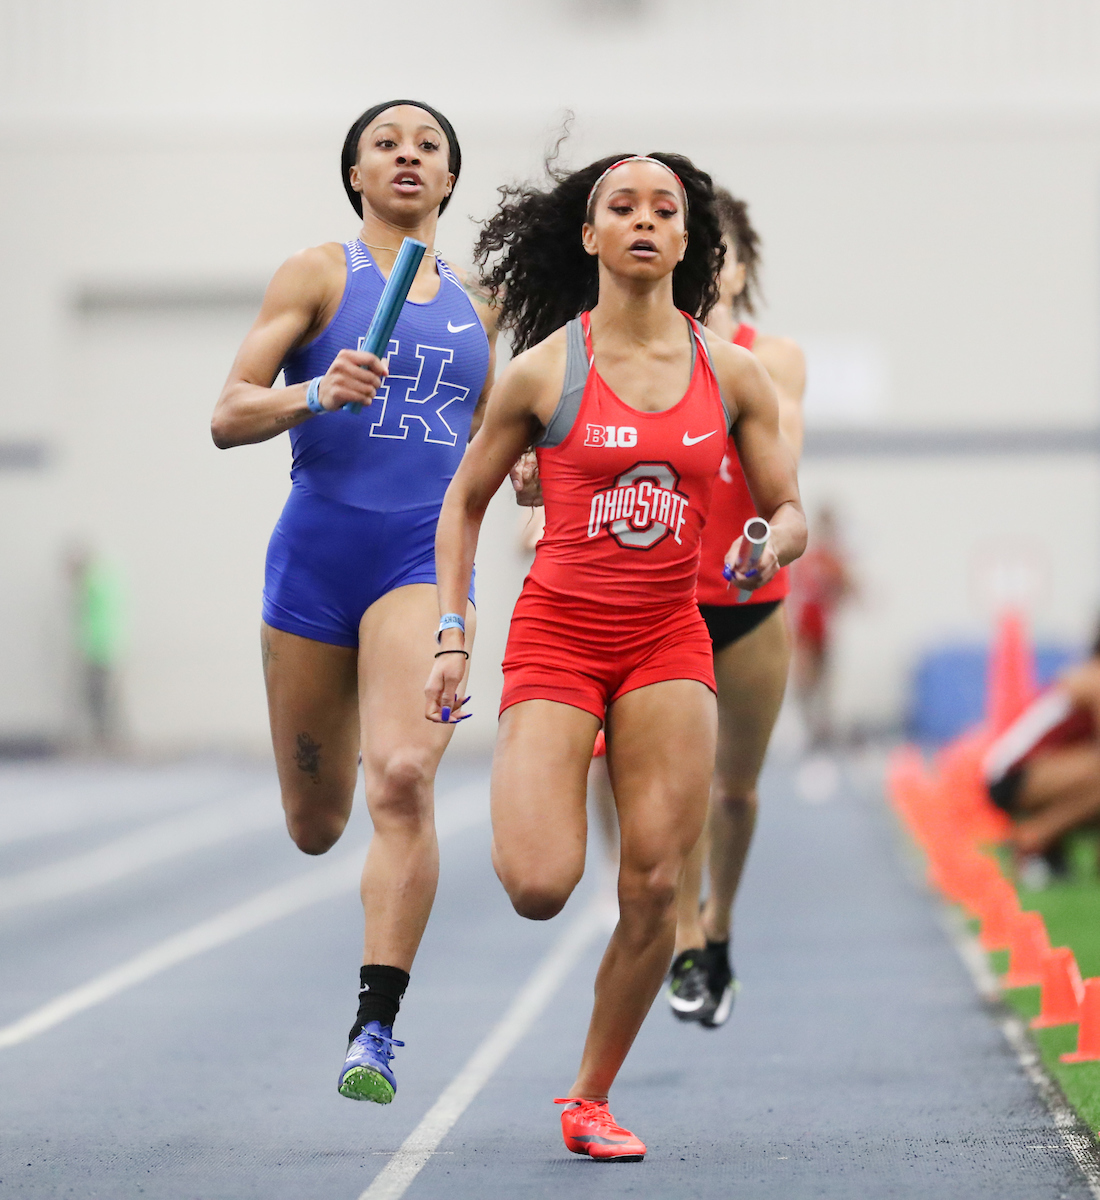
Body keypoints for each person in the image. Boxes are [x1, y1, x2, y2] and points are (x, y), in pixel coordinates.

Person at [425, 153, 805, 1160]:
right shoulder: (545, 369)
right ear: (589, 236)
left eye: (663, 209)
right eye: (621, 207)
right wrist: (453, 635)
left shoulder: (732, 375)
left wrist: (766, 542)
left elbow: (787, 508)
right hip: (558, 637)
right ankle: (572, 747)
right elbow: (464, 503)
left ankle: (588, 1098)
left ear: (688, 242)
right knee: (540, 884)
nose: (643, 221)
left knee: (649, 887)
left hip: (666, 643)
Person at [210, 100, 497, 1105]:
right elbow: (227, 413)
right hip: (314, 566)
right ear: (356, 173)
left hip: (419, 564)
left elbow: (518, 443)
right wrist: (311, 392)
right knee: (317, 822)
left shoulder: (483, 305)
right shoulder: (319, 273)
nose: (409, 155)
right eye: (387, 143)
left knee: (405, 777)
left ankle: (374, 1028)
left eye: (429, 147)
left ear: (451, 180)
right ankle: (331, 828)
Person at [667, 188, 806, 1028]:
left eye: (722, 259)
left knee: (736, 791)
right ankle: (684, 935)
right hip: (672, 601)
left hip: (752, 595)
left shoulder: (772, 359)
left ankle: (719, 920)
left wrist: (768, 535)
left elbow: (783, 460)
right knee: (675, 785)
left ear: (741, 271)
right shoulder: (639, 357)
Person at [984, 634, 1100, 866]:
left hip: (1040, 769)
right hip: (1011, 774)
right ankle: (1035, 835)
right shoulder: (1093, 676)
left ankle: (1045, 844)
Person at [791, 504, 855, 746]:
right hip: (805, 629)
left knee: (824, 687)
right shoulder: (807, 558)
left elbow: (849, 590)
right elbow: (793, 593)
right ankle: (810, 730)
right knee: (804, 683)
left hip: (824, 631)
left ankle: (823, 732)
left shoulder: (836, 561)